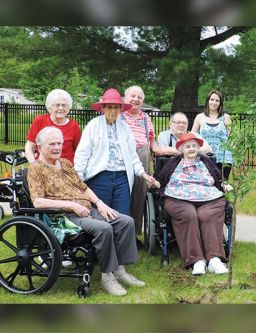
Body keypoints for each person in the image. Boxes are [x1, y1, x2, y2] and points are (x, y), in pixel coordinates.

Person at [27, 127, 145, 296]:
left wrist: (99, 203)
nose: (56, 147)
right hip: (63, 217)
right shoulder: (36, 168)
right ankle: (107, 277)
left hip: (86, 210)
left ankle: (120, 270)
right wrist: (72, 205)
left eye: (59, 143)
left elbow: (83, 188)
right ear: (39, 147)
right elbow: (38, 201)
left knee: (125, 221)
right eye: (51, 144)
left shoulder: (66, 164)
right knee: (104, 229)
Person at [74, 88, 157, 218]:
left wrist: (143, 174)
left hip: (122, 179)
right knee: (101, 216)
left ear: (121, 109)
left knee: (122, 216)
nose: (113, 111)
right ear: (103, 108)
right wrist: (79, 177)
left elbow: (132, 156)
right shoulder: (93, 126)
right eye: (109, 107)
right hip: (99, 177)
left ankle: (121, 239)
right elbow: (82, 155)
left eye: (116, 107)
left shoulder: (125, 128)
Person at [157, 132, 229, 275]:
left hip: (209, 197)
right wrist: (155, 183)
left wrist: (225, 185)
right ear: (181, 149)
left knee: (207, 214)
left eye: (194, 146)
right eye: (187, 146)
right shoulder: (173, 162)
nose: (191, 149)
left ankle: (214, 259)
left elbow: (219, 178)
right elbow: (160, 179)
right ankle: (197, 260)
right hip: (178, 198)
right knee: (189, 215)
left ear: (198, 148)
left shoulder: (206, 161)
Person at [122, 85, 160, 246]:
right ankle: (122, 233)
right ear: (125, 98)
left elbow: (152, 141)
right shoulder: (119, 116)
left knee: (139, 195)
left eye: (139, 97)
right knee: (123, 193)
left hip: (143, 153)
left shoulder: (146, 118)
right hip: (123, 154)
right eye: (132, 96)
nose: (136, 99)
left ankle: (135, 235)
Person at [25, 89, 81, 165]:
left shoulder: (74, 125)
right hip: (43, 167)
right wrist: (33, 164)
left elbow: (78, 151)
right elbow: (29, 146)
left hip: (66, 169)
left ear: (68, 108)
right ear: (50, 107)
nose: (61, 108)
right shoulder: (40, 121)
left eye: (64, 105)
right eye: (57, 105)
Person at [191, 90, 232, 180]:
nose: (214, 102)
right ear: (207, 101)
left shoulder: (226, 117)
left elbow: (231, 138)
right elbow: (192, 137)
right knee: (206, 183)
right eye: (212, 99)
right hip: (205, 157)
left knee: (222, 184)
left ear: (220, 103)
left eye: (217, 100)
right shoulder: (199, 117)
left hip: (224, 158)